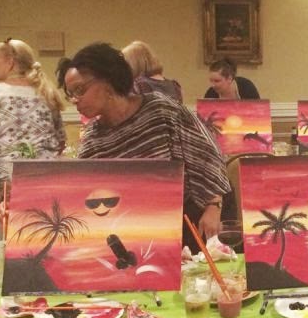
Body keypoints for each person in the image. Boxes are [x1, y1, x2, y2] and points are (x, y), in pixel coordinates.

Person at [61, 42, 230, 245]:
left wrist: (213, 207)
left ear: (107, 80)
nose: (74, 100)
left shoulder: (160, 110)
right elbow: (89, 197)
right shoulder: (92, 139)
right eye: (70, 94)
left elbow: (208, 154)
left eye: (80, 90)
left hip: (187, 222)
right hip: (132, 234)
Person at [0, 38, 66, 160]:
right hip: (46, 165)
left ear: (10, 62)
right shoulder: (46, 92)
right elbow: (61, 140)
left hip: (4, 167)